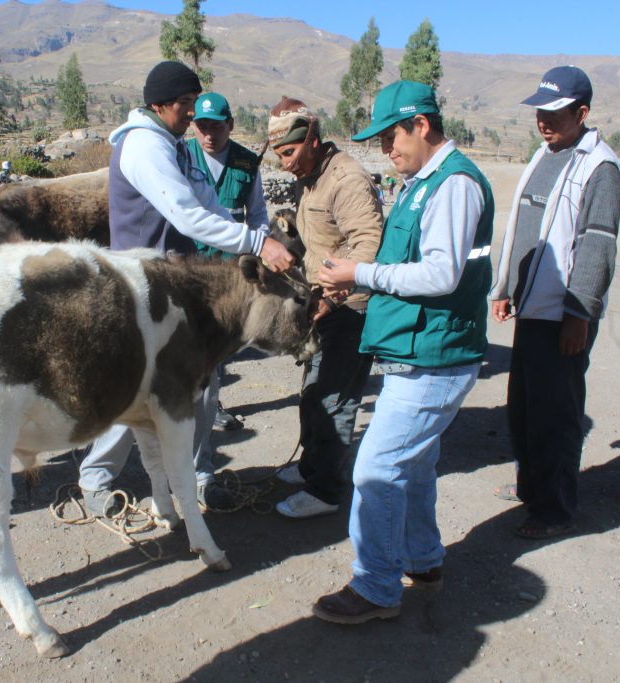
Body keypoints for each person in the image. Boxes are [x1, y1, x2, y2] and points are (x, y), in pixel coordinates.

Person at [78, 62, 295, 516]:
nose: (192, 113)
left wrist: (251, 242)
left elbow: (209, 205)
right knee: (129, 384)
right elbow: (186, 216)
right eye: (185, 105)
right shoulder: (142, 146)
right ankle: (97, 481)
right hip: (140, 287)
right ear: (159, 104)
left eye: (195, 104)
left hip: (179, 285)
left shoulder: (173, 146)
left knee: (200, 380)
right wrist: (258, 241)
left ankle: (198, 475)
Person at [314, 80, 494, 622]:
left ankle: (375, 586)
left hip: (436, 353)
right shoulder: (421, 181)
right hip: (415, 348)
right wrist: (356, 282)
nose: (386, 149)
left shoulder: (454, 185)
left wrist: (359, 272)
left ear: (421, 125)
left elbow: (441, 273)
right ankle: (423, 559)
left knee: (376, 467)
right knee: (413, 467)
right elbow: (409, 262)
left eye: (392, 136)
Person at [490, 66, 620, 539]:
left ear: (581, 112)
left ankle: (555, 509)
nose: (543, 121)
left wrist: (579, 315)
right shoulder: (545, 153)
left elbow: (597, 246)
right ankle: (533, 487)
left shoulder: (600, 167)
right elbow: (524, 229)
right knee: (524, 407)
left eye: (554, 113)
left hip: (562, 316)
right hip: (533, 309)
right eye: (539, 112)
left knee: (557, 414)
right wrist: (505, 286)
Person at [267, 96, 383, 519]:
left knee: (336, 400)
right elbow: (316, 237)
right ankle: (312, 467)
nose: (284, 164)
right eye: (278, 154)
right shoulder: (310, 177)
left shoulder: (346, 180)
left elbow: (367, 246)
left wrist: (331, 299)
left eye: (289, 152)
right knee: (314, 393)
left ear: (312, 139)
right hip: (322, 305)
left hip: (350, 309)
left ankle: (326, 491)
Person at [187, 91, 269, 433]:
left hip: (227, 269)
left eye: (216, 127)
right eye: (201, 126)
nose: (208, 134)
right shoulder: (181, 156)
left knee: (218, 340)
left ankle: (211, 403)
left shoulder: (247, 163)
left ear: (230, 126)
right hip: (187, 265)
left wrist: (257, 249)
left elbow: (259, 215)